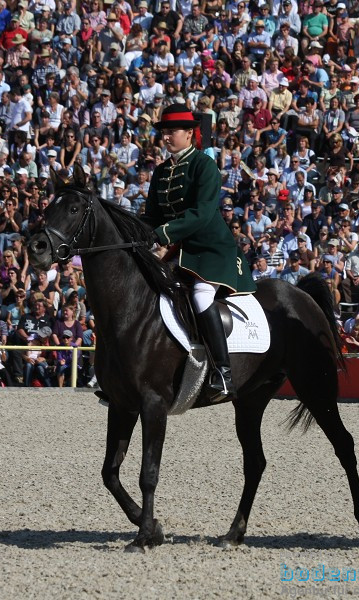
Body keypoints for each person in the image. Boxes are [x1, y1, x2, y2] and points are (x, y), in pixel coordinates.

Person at [143, 104, 257, 401]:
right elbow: (152, 215)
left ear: (190, 134)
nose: (166, 137)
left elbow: (202, 214)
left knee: (200, 296)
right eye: (164, 132)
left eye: (171, 132)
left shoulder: (204, 165)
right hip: (178, 250)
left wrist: (163, 235)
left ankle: (223, 373)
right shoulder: (162, 170)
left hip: (210, 249)